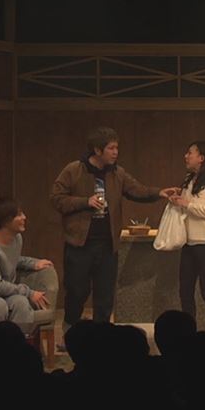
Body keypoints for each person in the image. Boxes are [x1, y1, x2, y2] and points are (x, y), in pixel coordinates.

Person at [50, 126, 176, 329]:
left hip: (107, 245)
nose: (116, 152)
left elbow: (137, 190)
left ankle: (102, 335)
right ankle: (70, 331)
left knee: (105, 295)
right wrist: (85, 202)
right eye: (111, 148)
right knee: (77, 291)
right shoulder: (74, 170)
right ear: (97, 150)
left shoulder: (117, 173)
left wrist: (159, 193)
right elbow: (56, 199)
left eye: (117, 148)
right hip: (80, 245)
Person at [166, 141, 205, 348]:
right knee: (185, 292)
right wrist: (177, 200)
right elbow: (186, 210)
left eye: (190, 153)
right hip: (188, 244)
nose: (186, 156)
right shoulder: (189, 179)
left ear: (202, 157)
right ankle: (189, 336)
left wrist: (188, 204)